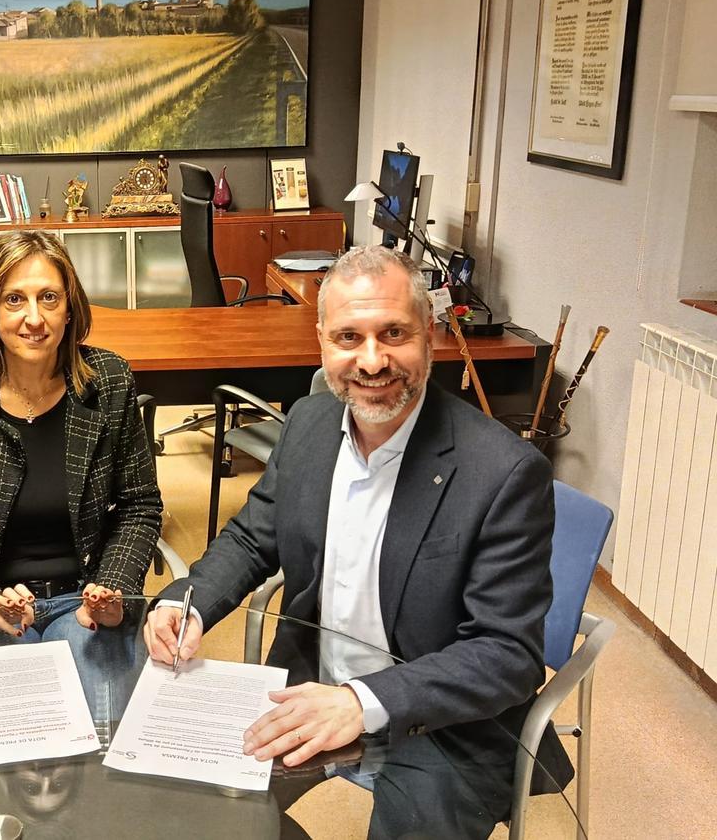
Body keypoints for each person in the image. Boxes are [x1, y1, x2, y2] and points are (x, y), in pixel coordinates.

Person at [144, 245, 573, 838]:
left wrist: (360, 701)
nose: (371, 361)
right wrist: (183, 602)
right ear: (322, 340)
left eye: (393, 333)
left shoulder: (503, 471)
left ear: (429, 335)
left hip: (444, 722)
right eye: (349, 337)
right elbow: (251, 537)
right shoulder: (308, 422)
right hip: (308, 687)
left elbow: (507, 654)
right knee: (188, 803)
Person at [0, 230, 161, 721]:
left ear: (70, 308)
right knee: (1, 755)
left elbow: (139, 506)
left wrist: (112, 590)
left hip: (83, 599)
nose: (34, 318)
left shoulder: (109, 382)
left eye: (49, 297)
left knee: (100, 748)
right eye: (14, 299)